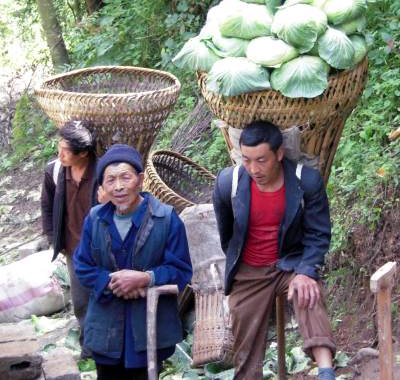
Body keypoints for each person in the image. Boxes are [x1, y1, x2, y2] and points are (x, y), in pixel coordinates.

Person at [212, 120, 336, 380]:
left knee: (308, 292)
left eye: (261, 160)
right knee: (244, 337)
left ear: (279, 154)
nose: (253, 169)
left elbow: (318, 233)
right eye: (246, 160)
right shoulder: (228, 184)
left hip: (289, 263)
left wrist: (306, 271)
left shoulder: (306, 182)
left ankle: (326, 370)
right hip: (249, 270)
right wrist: (241, 266)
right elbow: (228, 235)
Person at [73, 144, 192, 380]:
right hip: (106, 328)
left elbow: (180, 270)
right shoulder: (95, 219)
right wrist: (113, 283)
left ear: (140, 179)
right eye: (110, 180)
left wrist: (145, 279)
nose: (118, 186)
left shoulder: (166, 219)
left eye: (125, 178)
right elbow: (82, 265)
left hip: (148, 327)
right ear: (102, 186)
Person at [41, 120, 98, 359]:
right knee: (81, 301)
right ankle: (89, 349)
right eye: (59, 146)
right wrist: (55, 240)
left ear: (83, 153)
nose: (60, 153)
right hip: (74, 248)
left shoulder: (103, 172)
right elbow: (47, 206)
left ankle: (111, 345)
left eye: (66, 150)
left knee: (106, 297)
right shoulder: (54, 171)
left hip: (103, 249)